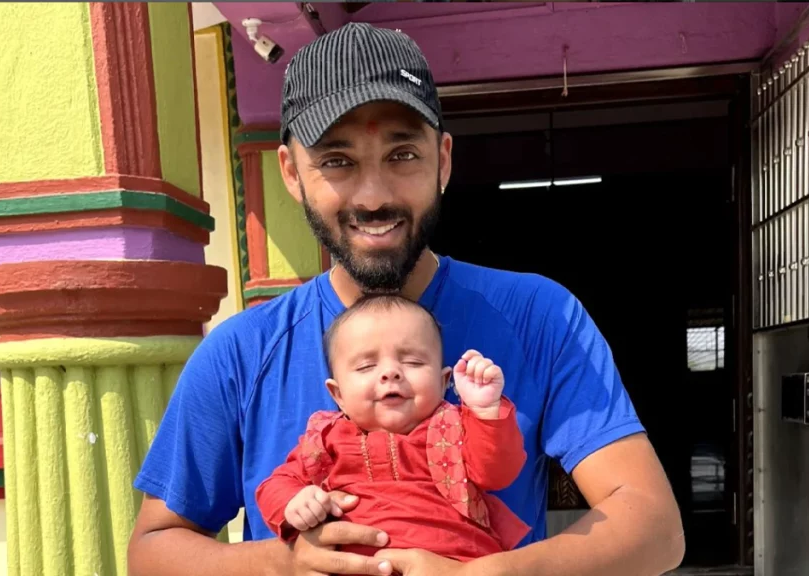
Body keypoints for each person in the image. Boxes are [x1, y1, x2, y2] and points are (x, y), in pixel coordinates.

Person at [128, 21, 685, 576]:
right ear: (291, 173)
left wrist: (485, 575)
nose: (374, 196)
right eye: (337, 160)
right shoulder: (242, 354)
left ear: (442, 159)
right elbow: (152, 552)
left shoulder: (540, 316)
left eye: (402, 155)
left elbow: (653, 528)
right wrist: (284, 563)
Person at [255, 294, 531, 561]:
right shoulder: (324, 440)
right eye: (366, 366)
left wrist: (484, 412)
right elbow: (275, 485)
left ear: (443, 381)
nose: (391, 372)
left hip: (455, 562)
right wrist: (296, 501)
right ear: (338, 395)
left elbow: (497, 473)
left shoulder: (458, 427)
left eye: (412, 361)